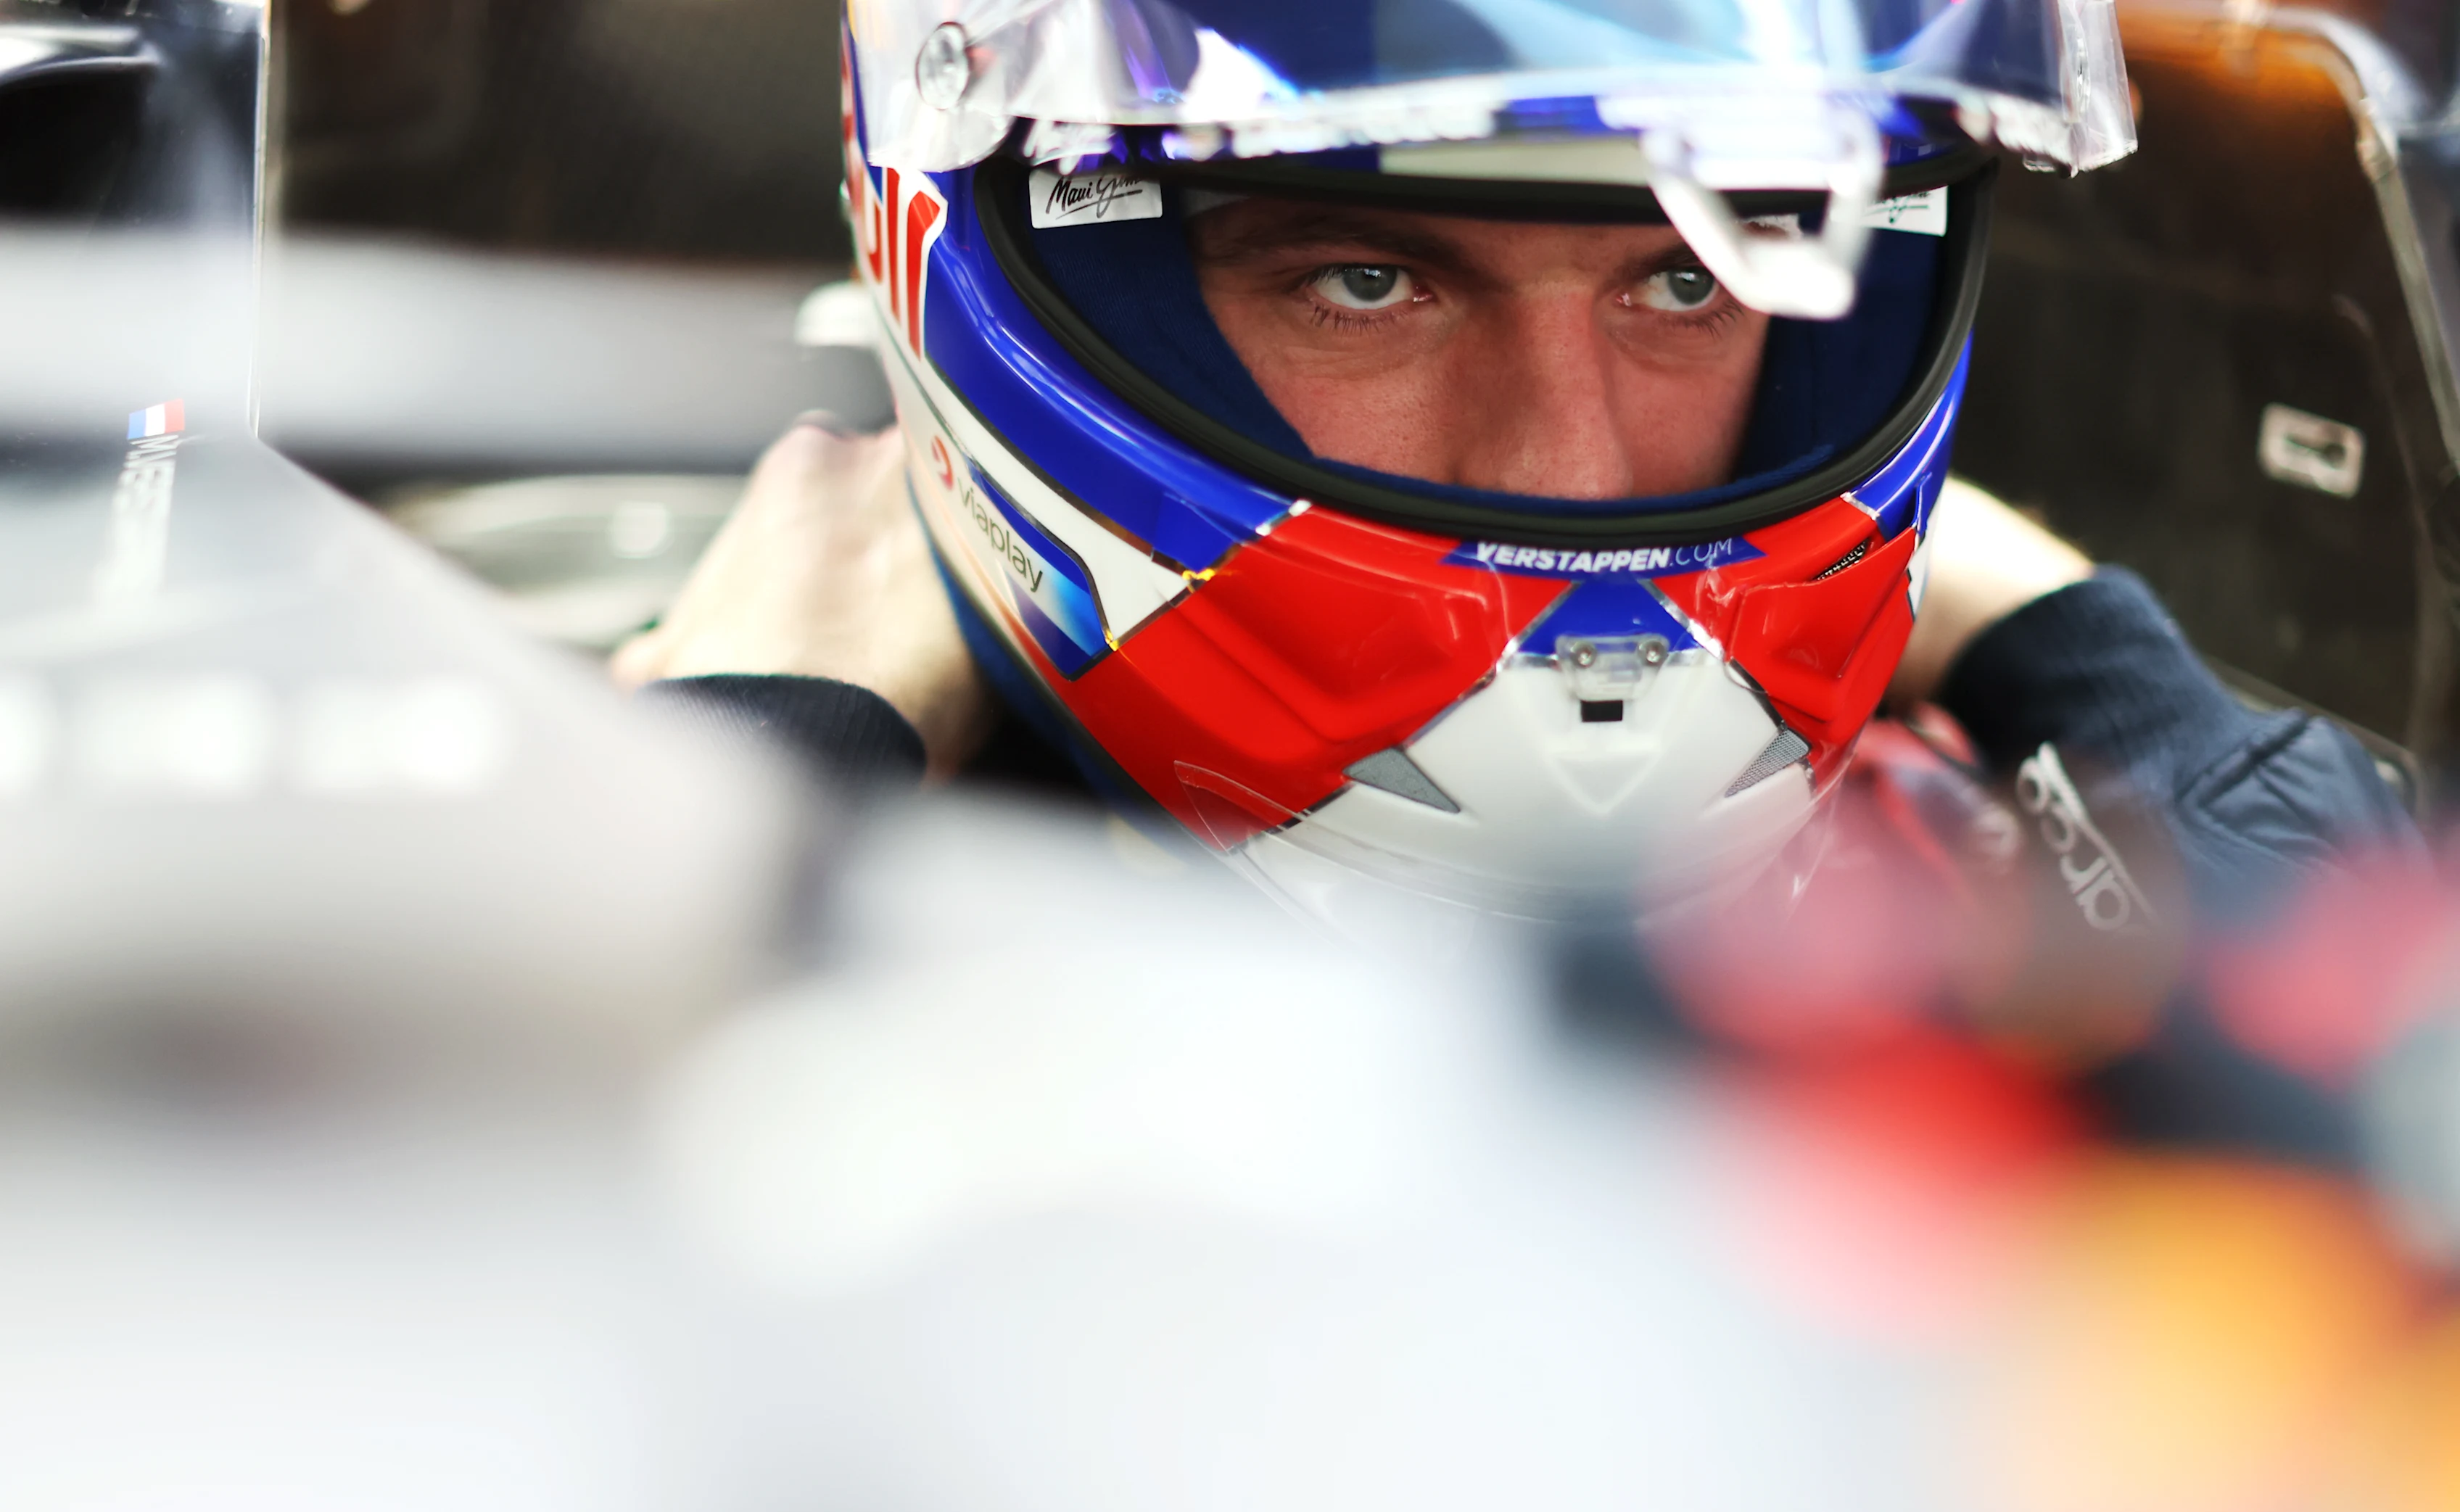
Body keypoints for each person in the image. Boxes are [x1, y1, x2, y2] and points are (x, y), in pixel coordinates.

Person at [616, 0, 2418, 943]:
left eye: (1688, 278)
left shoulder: (1967, 873)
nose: (1571, 461)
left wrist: (2091, 674)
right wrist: (722, 815)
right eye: (1367, 280)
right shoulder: (655, 891)